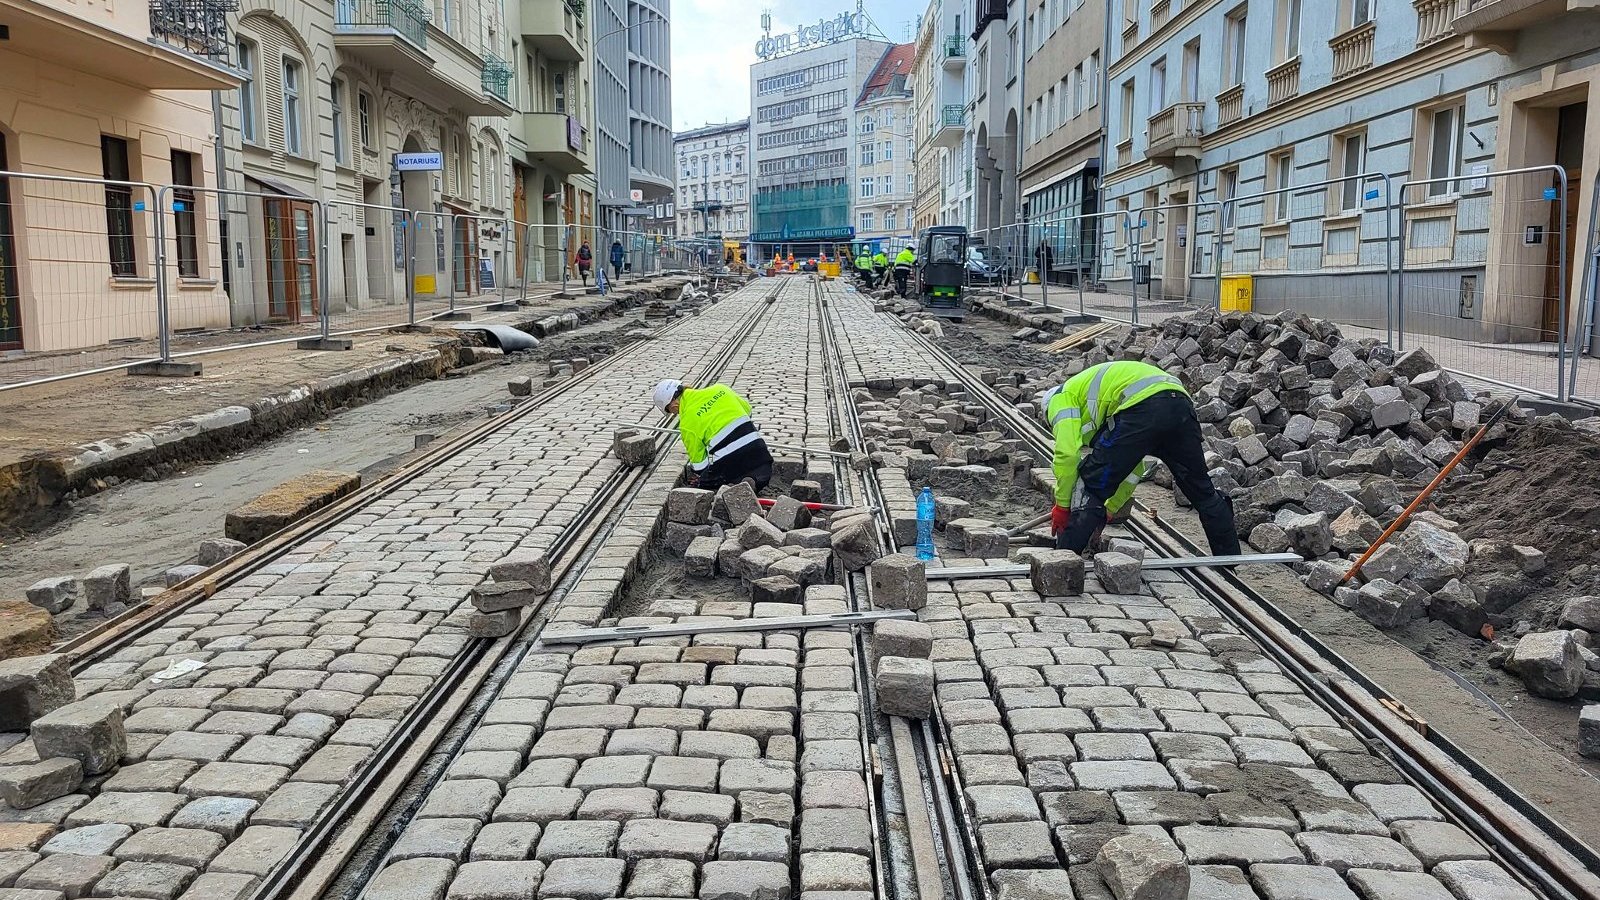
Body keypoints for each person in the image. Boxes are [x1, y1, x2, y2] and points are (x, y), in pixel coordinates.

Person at [1042, 360, 1240, 557]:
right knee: (1203, 492)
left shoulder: (1061, 399)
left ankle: (1063, 559)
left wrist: (1063, 506)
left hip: (1142, 406)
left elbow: (1067, 455)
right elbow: (1133, 467)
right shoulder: (1094, 397)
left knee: (1091, 485)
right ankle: (1229, 564)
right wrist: (1111, 507)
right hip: (1179, 405)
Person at [652, 379, 773, 492]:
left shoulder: (687, 423)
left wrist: (702, 479)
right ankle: (752, 481)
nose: (675, 414)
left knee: (704, 483)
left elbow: (700, 466)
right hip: (759, 451)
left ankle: (732, 485)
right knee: (762, 472)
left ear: (673, 405)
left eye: (672, 412)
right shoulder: (721, 389)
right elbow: (747, 410)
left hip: (729, 463)